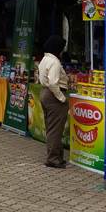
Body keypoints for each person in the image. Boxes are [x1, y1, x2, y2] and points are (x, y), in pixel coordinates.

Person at [39, 35, 68, 169]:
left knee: (52, 128)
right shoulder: (55, 62)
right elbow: (53, 82)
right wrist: (61, 97)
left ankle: (57, 156)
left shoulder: (45, 59)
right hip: (53, 96)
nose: (63, 51)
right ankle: (53, 159)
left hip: (45, 93)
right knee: (55, 129)